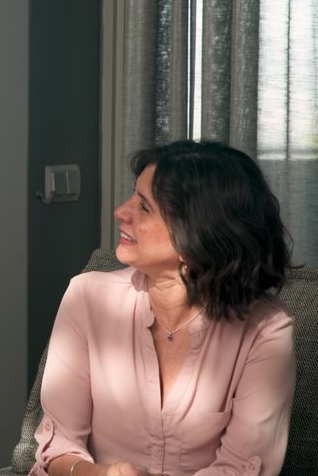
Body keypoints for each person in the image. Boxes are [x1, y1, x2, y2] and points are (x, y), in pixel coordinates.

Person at [33, 140, 295, 476]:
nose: (121, 212)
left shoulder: (266, 331)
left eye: (144, 207)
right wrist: (101, 473)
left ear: (198, 235)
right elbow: (57, 446)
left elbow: (241, 468)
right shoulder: (87, 298)